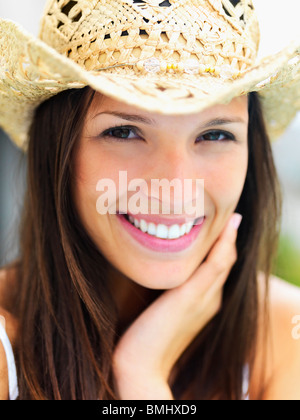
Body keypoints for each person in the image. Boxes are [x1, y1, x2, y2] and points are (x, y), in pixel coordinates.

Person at [0, 0, 299, 400]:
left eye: (214, 135)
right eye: (124, 132)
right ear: (59, 150)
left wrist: (141, 373)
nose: (175, 185)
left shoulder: (288, 334)